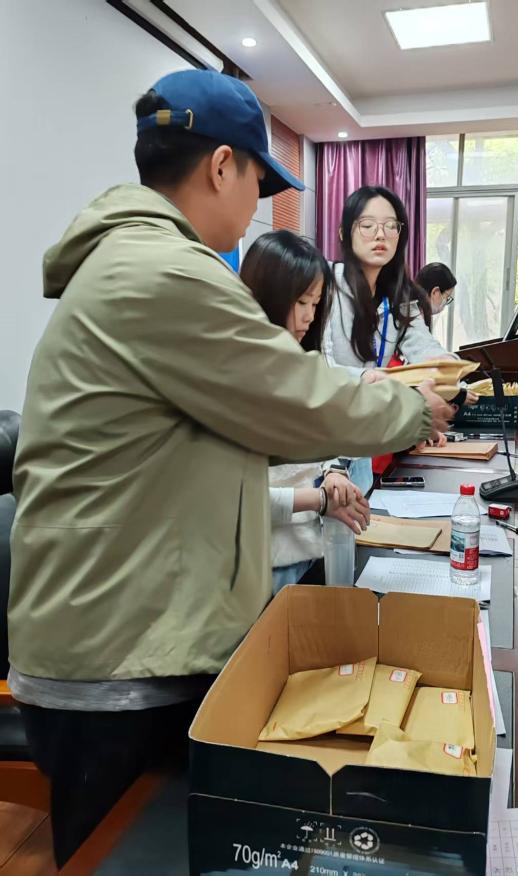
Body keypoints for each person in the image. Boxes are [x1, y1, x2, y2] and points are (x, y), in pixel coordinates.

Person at [7, 70, 454, 866]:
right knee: (129, 854)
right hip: (120, 654)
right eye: (257, 181)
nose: (256, 204)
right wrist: (410, 410)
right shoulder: (164, 274)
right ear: (221, 166)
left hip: (129, 632)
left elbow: (258, 428)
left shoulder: (137, 264)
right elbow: (295, 399)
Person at [240, 230, 370, 592]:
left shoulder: (296, 366)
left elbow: (320, 437)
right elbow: (236, 500)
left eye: (316, 304)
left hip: (309, 553)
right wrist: (320, 500)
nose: (310, 317)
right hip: (263, 569)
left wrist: (333, 471)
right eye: (301, 302)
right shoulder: (237, 382)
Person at [323, 186, 458, 491]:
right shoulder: (326, 284)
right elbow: (321, 367)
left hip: (360, 446)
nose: (380, 234)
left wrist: (450, 371)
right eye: (367, 225)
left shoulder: (399, 298)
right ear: (344, 233)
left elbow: (424, 347)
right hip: (320, 445)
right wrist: (388, 385)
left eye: (390, 225)